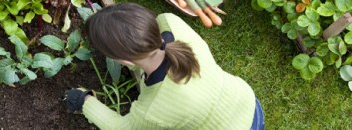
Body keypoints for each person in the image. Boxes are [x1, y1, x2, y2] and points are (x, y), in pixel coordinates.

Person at [64, 3, 264, 129]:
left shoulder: (154, 108)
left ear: (124, 62)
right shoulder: (171, 22)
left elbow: (119, 127)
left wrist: (84, 101)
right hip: (249, 104)